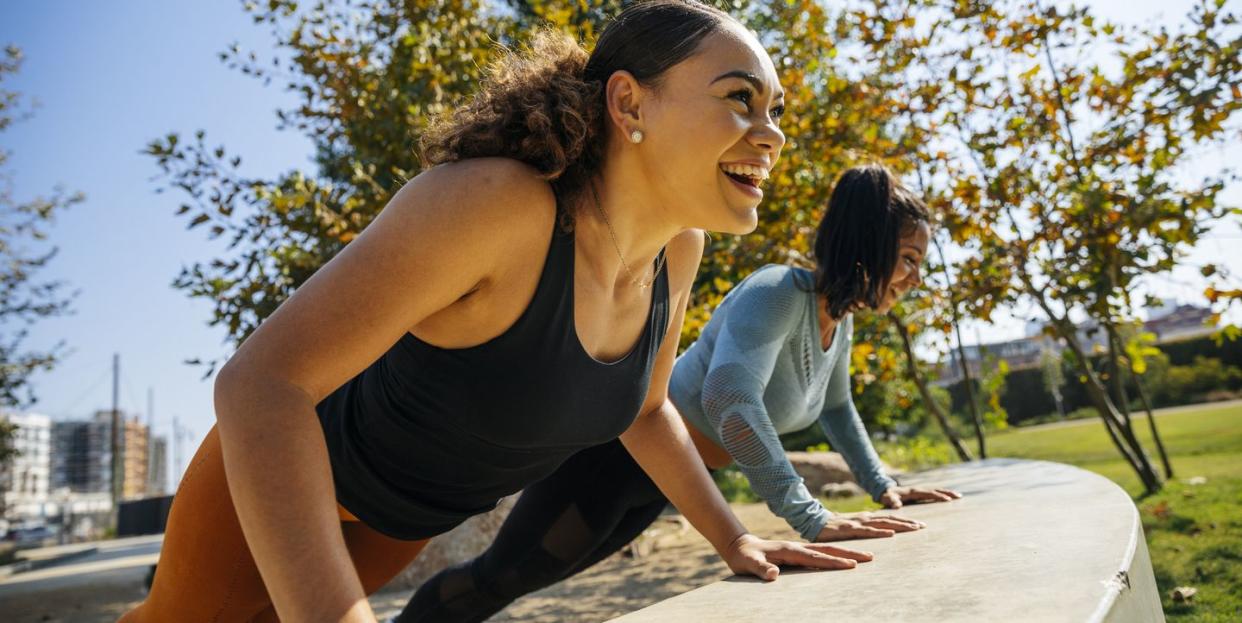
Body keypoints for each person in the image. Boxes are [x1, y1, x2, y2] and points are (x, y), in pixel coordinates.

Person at [120, 3, 874, 622]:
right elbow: (260, 384)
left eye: (775, 109)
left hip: (402, 519)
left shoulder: (680, 251)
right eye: (739, 99)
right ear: (628, 102)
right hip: (290, 473)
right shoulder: (496, 204)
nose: (771, 133)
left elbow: (646, 413)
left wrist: (737, 540)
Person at [403, 164, 961, 622]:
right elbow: (729, 398)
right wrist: (808, 514)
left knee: (522, 578)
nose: (915, 278)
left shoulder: (838, 323)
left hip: (669, 480)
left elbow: (838, 410)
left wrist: (885, 486)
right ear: (867, 245)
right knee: (503, 575)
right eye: (909, 259)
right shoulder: (778, 291)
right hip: (616, 459)